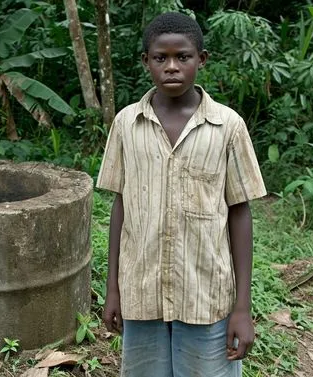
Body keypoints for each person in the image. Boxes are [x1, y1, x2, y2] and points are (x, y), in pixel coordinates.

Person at [96, 11, 267, 377]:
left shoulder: (228, 127)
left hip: (205, 297)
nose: (171, 67)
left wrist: (242, 307)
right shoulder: (127, 124)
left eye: (183, 57)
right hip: (141, 293)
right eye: (161, 58)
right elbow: (121, 205)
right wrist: (113, 290)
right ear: (146, 62)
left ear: (201, 60)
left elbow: (240, 212)